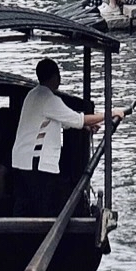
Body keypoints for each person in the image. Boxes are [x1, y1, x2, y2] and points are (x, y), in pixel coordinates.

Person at [11, 58, 125, 216]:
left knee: (25, 205)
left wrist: (85, 125)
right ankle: (43, 237)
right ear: (56, 77)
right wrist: (110, 114)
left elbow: (58, 121)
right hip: (36, 163)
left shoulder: (32, 95)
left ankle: (17, 236)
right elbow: (77, 119)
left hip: (21, 160)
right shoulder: (49, 98)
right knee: (44, 207)